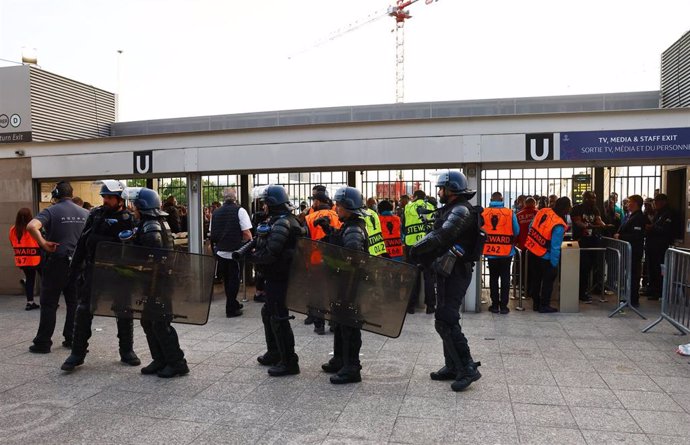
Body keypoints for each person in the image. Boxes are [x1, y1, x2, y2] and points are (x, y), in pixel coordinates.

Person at [409, 170, 484, 392]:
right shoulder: (453, 208)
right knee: (443, 319)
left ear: (450, 189)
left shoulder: (460, 210)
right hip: (446, 270)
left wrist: (417, 249)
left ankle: (468, 368)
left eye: (441, 188)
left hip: (457, 271)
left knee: (447, 318)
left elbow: (442, 235)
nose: (438, 192)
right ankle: (452, 366)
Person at [61, 180, 141, 371]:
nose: (105, 200)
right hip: (93, 271)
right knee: (83, 310)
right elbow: (83, 241)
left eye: (109, 197)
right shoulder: (95, 215)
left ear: (120, 199)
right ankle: (77, 353)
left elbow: (134, 249)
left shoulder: (129, 219)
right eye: (104, 197)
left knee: (124, 310)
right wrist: (73, 270)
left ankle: (127, 351)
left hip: (119, 273)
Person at [125, 187, 190, 378]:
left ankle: (177, 362)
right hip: (153, 281)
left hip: (158, 282)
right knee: (149, 321)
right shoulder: (152, 223)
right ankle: (160, 359)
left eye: (135, 205)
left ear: (142, 206)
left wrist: (130, 247)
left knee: (161, 323)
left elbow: (150, 256)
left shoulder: (151, 226)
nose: (133, 209)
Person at [247, 185, 304, 377]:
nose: (263, 207)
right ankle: (275, 352)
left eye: (265, 203)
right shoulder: (280, 220)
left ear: (272, 204)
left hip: (281, 277)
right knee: (269, 312)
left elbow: (271, 253)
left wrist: (251, 258)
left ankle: (288, 361)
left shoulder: (282, 223)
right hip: (277, 276)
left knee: (279, 317)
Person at [27, 181, 89, 353]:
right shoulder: (85, 213)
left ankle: (43, 343)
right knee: (74, 302)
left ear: (55, 194)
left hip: (57, 261)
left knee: (49, 303)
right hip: (77, 263)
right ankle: (71, 338)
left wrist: (44, 243)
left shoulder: (50, 211)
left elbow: (32, 226)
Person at [320, 186, 369, 384]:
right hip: (344, 283)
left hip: (350, 284)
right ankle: (340, 359)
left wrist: (331, 263)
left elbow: (352, 259)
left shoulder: (355, 229)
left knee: (349, 326)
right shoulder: (349, 226)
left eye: (339, 205)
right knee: (340, 323)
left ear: (348, 206)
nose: (336, 208)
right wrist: (328, 229)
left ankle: (351, 368)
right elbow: (340, 242)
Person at [303, 187, 341, 334]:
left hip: (315, 260)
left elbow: (305, 240)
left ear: (318, 201)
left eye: (313, 200)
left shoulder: (310, 218)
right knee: (333, 291)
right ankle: (333, 322)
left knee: (317, 292)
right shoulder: (336, 215)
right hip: (334, 260)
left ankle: (319, 325)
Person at [525, 197, 572, 313]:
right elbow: (555, 247)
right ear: (565, 208)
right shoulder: (559, 224)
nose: (570, 208)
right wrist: (554, 264)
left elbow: (530, 226)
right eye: (569, 206)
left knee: (535, 279)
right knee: (547, 281)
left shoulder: (543, 211)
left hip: (532, 250)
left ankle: (536, 303)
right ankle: (544, 305)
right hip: (545, 256)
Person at [210, 188, 253, 318]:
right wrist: (252, 243)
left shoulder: (216, 213)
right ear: (235, 197)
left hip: (221, 252)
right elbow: (246, 232)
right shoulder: (240, 210)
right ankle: (231, 309)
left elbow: (212, 233)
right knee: (234, 281)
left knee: (227, 280)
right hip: (235, 252)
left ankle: (233, 303)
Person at [482, 192, 519, 314]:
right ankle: (504, 306)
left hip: (491, 251)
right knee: (505, 277)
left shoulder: (484, 212)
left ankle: (494, 305)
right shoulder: (509, 213)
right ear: (502, 199)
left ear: (491, 199)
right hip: (506, 251)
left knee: (493, 278)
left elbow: (480, 230)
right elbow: (517, 231)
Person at [571, 191, 608, 303]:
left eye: (594, 198)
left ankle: (588, 290)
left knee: (592, 266)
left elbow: (598, 219)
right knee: (583, 267)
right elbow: (578, 222)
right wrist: (588, 226)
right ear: (584, 198)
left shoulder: (595, 209)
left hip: (593, 241)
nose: (593, 200)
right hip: (581, 241)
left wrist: (603, 225)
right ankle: (581, 292)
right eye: (590, 198)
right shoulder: (577, 208)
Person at [403, 190, 436, 314]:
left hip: (412, 246)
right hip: (427, 245)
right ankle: (431, 306)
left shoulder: (408, 207)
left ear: (415, 197)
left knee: (413, 276)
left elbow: (404, 226)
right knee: (429, 277)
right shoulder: (430, 207)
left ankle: (411, 307)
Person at [614, 195, 646, 308]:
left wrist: (621, 236)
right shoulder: (630, 216)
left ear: (636, 203)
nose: (628, 204)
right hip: (629, 251)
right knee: (630, 274)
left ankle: (633, 299)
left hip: (634, 251)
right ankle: (629, 297)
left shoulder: (639, 217)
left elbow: (636, 235)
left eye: (630, 202)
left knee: (633, 275)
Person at [644, 194, 677, 300]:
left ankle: (658, 291)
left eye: (657, 201)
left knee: (658, 269)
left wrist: (652, 227)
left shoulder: (668, 213)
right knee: (652, 268)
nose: (655, 204)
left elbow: (666, 230)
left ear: (663, 202)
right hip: (652, 246)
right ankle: (652, 288)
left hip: (660, 247)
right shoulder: (658, 213)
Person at [9, 208, 42, 310]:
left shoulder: (13, 229)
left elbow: (12, 243)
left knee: (29, 280)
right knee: (45, 279)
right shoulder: (32, 228)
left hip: (22, 259)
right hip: (36, 257)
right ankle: (47, 301)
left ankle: (30, 302)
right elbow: (41, 241)